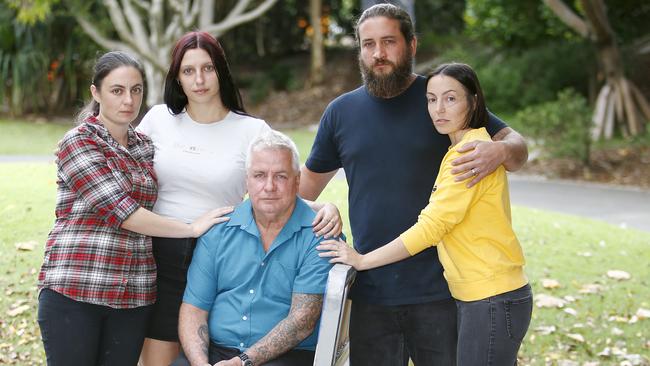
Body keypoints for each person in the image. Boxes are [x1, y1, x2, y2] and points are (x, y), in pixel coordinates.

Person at [298, 4, 529, 365]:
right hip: (372, 294)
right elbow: (299, 195)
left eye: (389, 41)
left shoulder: (440, 99)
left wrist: (499, 150)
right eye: (368, 43)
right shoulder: (340, 113)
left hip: (443, 295)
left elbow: (517, 145)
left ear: (412, 45)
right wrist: (324, 207)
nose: (378, 53)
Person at [136, 31, 342, 365]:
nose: (199, 79)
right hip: (157, 250)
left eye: (208, 68)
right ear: (177, 76)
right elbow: (123, 175)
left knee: (227, 333)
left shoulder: (251, 130)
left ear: (221, 71)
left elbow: (278, 187)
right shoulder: (158, 120)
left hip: (220, 249)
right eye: (188, 71)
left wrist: (326, 207)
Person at [37, 51, 230, 366]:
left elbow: (191, 170)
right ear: (96, 93)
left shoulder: (144, 146)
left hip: (133, 296)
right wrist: (191, 229)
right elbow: (123, 213)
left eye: (136, 90)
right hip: (77, 288)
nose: (128, 100)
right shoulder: (78, 142)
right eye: (117, 90)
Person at [173, 130, 334, 366]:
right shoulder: (218, 231)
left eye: (280, 176)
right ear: (247, 180)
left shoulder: (319, 234)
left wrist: (243, 362)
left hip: (286, 355)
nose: (269, 186)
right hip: (215, 352)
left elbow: (302, 321)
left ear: (297, 180)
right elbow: (194, 309)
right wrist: (200, 363)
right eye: (259, 175)